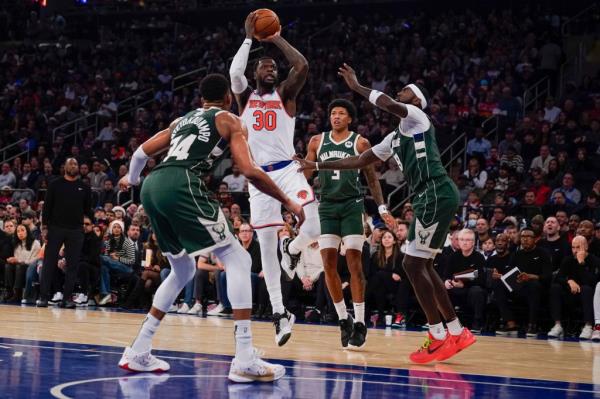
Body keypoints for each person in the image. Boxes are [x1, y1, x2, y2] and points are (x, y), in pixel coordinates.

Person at [117, 73, 305, 382]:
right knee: (239, 259)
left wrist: (133, 179)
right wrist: (289, 201)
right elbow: (249, 170)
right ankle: (244, 356)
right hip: (182, 183)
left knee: (183, 271)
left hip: (152, 186)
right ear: (229, 97)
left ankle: (139, 349)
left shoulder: (181, 120)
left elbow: (140, 153)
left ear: (201, 98)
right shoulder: (230, 119)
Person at [295, 64, 475, 364]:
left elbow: (388, 103)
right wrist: (318, 166)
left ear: (416, 101)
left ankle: (439, 336)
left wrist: (357, 87)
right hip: (429, 197)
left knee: (412, 265)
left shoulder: (418, 117)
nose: (399, 92)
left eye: (406, 91)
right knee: (423, 266)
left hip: (435, 192)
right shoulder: (394, 138)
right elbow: (359, 161)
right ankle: (456, 331)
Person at [229, 12, 318, 346]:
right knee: (266, 248)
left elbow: (303, 66)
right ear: (255, 73)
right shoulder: (244, 98)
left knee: (312, 223)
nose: (272, 68)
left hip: (286, 168)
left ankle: (293, 248)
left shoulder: (286, 95)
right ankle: (280, 314)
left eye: (274, 67)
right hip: (258, 177)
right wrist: (250, 37)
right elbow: (234, 72)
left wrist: (276, 37)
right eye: (265, 66)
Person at [303, 98, 393, 350]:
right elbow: (307, 175)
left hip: (353, 206)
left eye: (342, 113)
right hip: (327, 206)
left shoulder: (360, 142)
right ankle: (344, 319)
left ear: (350, 118)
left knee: (355, 265)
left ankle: (361, 322)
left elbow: (372, 180)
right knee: (328, 265)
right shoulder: (316, 141)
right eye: (333, 112)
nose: (336, 116)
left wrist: (382, 208)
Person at [37, 158, 92, 308]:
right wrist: (44, 228)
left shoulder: (84, 187)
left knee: (72, 265)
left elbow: (88, 210)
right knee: (48, 263)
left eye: (76, 164)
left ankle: (67, 299)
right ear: (65, 167)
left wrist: (88, 223)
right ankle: (43, 297)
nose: (74, 166)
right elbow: (47, 208)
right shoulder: (55, 184)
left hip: (76, 230)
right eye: (71, 164)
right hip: (55, 228)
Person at [547, 236, 600, 340]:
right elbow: (558, 278)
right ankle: (557, 325)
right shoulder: (568, 259)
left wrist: (581, 263)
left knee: (587, 289)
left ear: (586, 247)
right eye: (573, 247)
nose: (575, 251)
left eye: (578, 247)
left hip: (586, 295)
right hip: (569, 292)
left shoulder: (595, 260)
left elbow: (592, 282)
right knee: (555, 288)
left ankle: (588, 326)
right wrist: (569, 281)